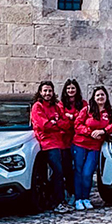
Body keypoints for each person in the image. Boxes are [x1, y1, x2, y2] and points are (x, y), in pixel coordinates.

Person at [72, 86, 112, 210]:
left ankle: (86, 198)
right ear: (94, 97)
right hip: (80, 144)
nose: (100, 97)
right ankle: (78, 199)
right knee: (78, 171)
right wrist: (90, 132)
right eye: (98, 95)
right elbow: (77, 124)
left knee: (88, 173)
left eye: (102, 95)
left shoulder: (110, 111)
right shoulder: (87, 110)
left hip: (95, 146)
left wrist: (103, 131)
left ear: (106, 97)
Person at [31, 81, 72, 213]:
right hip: (48, 144)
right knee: (57, 172)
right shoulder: (37, 107)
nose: (47, 93)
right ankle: (57, 202)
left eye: (50, 91)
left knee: (61, 173)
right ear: (40, 92)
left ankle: (59, 200)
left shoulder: (56, 106)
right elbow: (44, 125)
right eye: (45, 91)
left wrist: (56, 122)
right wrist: (56, 124)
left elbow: (66, 124)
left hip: (60, 143)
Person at [60, 79, 86, 206]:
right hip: (64, 141)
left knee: (79, 168)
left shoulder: (83, 104)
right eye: (68, 88)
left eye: (73, 88)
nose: (71, 90)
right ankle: (69, 192)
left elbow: (85, 118)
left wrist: (72, 116)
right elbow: (60, 119)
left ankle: (79, 194)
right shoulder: (61, 104)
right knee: (67, 169)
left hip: (79, 140)